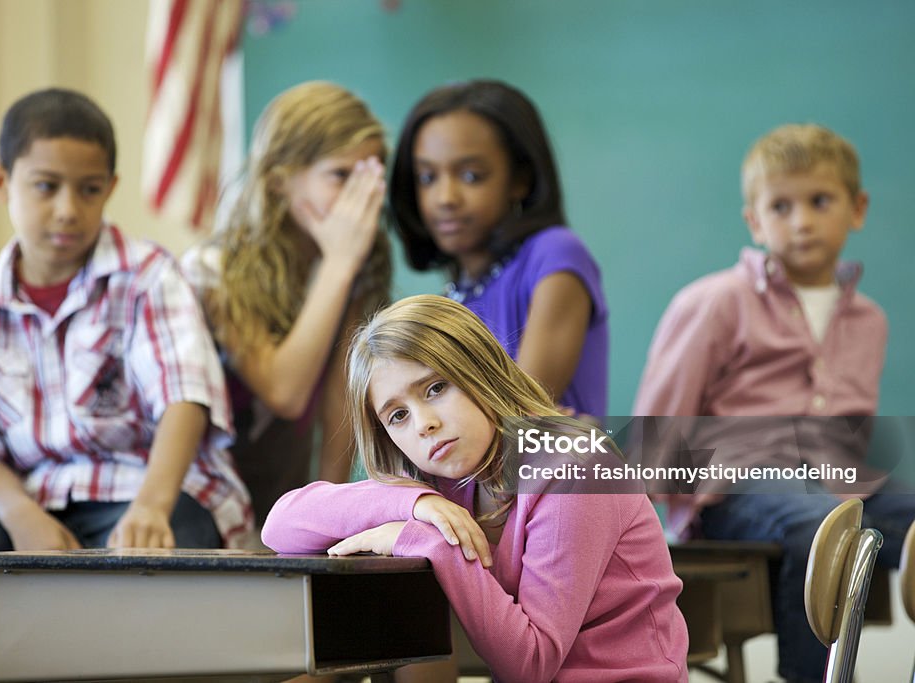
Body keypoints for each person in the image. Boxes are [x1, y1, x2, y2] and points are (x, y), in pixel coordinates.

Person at [0, 88, 249, 593]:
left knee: (167, 573)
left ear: (110, 188)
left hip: (151, 492)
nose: (67, 209)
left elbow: (183, 399)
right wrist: (20, 516)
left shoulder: (147, 276)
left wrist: (151, 505)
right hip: (32, 504)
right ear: (0, 181)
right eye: (46, 186)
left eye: (88, 190)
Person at [262, 295, 688, 683]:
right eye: (397, 416)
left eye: (436, 388)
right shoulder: (442, 484)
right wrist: (413, 502)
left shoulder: (573, 467)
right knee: (345, 637)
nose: (423, 422)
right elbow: (280, 525)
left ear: (480, 371)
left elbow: (531, 665)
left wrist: (430, 541)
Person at [633, 123, 915, 683]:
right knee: (820, 523)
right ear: (755, 222)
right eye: (781, 206)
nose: (802, 221)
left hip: (839, 486)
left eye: (820, 201)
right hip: (738, 493)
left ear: (857, 209)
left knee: (862, 512)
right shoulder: (715, 303)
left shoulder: (870, 320)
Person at [181, 81, 391, 526]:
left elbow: (343, 406)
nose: (363, 198)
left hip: (280, 502)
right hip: (204, 505)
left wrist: (327, 513)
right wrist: (337, 265)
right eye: (340, 176)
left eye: (371, 176)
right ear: (278, 181)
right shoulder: (212, 270)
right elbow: (285, 393)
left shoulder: (352, 269)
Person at [388, 80, 608, 417]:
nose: (445, 198)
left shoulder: (555, 255)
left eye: (471, 176)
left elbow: (518, 413)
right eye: (428, 177)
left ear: (520, 179)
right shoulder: (453, 298)